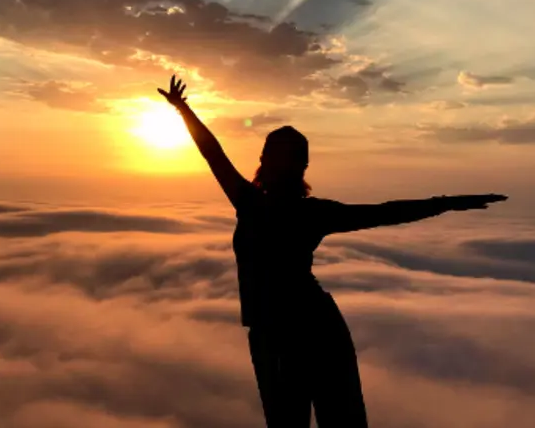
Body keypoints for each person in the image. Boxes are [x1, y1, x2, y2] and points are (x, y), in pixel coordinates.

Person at [157, 75, 507, 428]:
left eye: (277, 156)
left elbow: (387, 212)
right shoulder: (273, 206)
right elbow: (212, 152)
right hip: (293, 331)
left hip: (295, 334)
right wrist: (184, 110)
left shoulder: (263, 206)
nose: (270, 162)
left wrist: (449, 203)